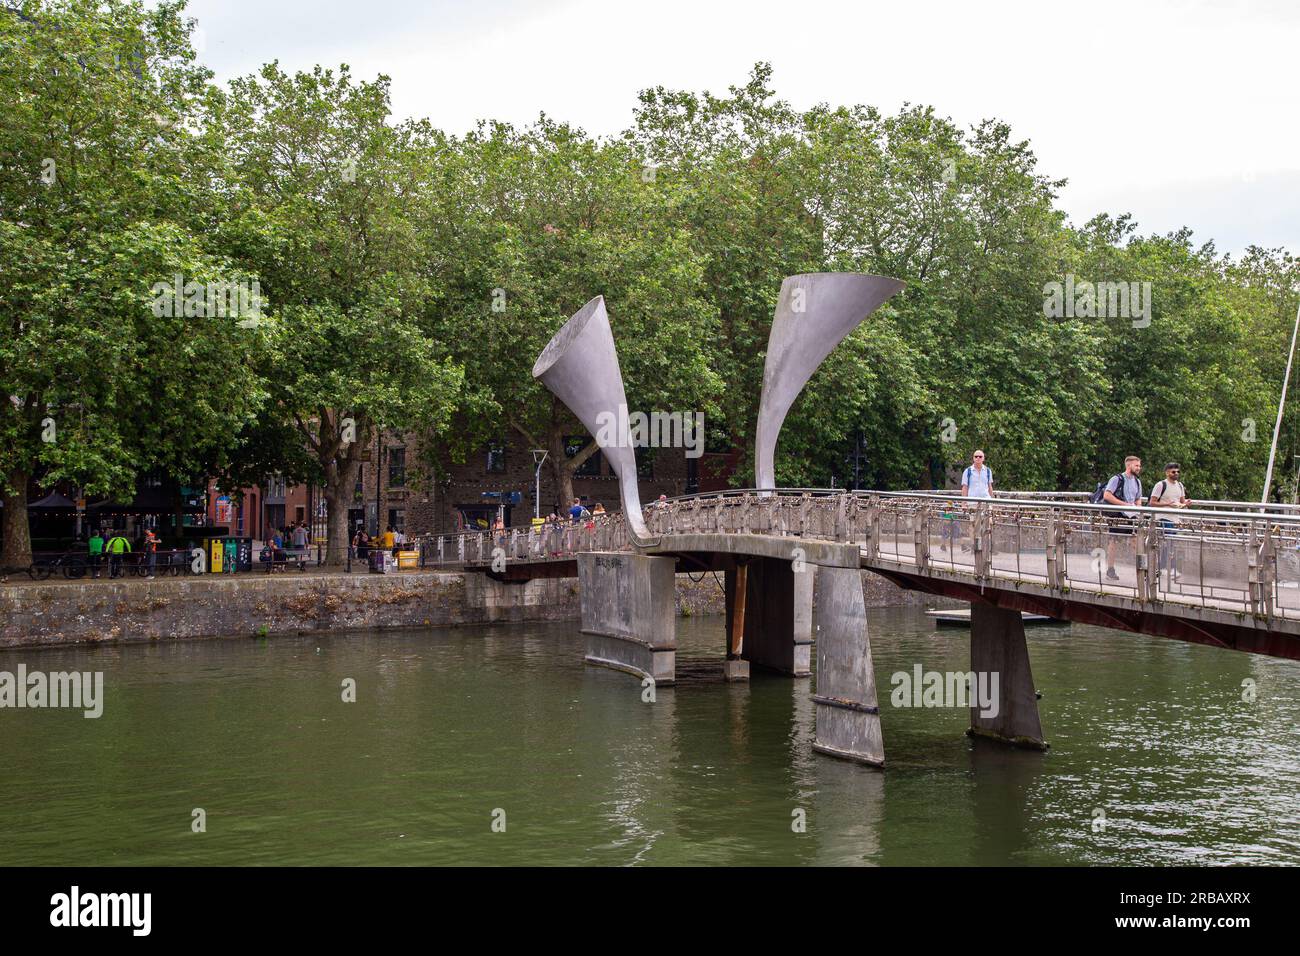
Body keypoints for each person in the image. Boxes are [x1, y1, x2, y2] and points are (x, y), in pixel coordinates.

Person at [1102, 456, 1144, 581]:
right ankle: (1110, 570)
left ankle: (1142, 569)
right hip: (1118, 514)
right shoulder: (1117, 479)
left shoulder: (1137, 481)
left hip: (1131, 515)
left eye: (1139, 466)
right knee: (1113, 541)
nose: (1139, 468)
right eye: (1136, 465)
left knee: (1136, 541)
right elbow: (1107, 495)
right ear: (1128, 465)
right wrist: (1124, 505)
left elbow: (1138, 498)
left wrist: (1138, 508)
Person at [1147, 462, 1190, 583]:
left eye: (1178, 471)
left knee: (1171, 544)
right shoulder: (1161, 485)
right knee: (1167, 543)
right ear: (1167, 473)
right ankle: (1167, 568)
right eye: (1173, 472)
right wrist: (1167, 504)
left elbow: (1181, 501)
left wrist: (1186, 503)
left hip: (1175, 519)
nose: (1176, 474)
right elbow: (1152, 502)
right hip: (1163, 518)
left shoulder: (1180, 485)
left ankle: (1162, 568)